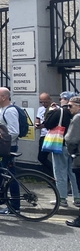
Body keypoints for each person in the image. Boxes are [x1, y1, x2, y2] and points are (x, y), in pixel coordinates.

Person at [43, 91, 79, 208]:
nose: (59, 101)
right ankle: (77, 197)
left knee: (60, 171)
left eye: (60, 98)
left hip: (61, 144)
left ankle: (62, 198)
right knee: (72, 172)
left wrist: (50, 112)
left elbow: (47, 124)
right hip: (75, 148)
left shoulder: (59, 111)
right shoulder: (76, 114)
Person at [0, 87, 22, 215]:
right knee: (1, 173)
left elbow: (14, 131)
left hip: (8, 147)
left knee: (10, 175)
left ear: (4, 97)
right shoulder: (2, 110)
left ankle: (15, 206)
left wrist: (0, 139)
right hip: (4, 147)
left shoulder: (9, 111)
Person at [63, 97, 80, 227]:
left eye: (70, 106)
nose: (68, 109)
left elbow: (70, 140)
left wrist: (72, 153)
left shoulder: (77, 118)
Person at [35, 92, 53, 176]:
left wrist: (44, 125)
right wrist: (37, 124)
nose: (43, 104)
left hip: (52, 136)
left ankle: (54, 175)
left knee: (51, 157)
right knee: (41, 158)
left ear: (50, 100)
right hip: (43, 136)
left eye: (45, 102)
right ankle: (52, 175)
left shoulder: (54, 109)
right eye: (41, 102)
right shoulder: (40, 109)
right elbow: (37, 119)